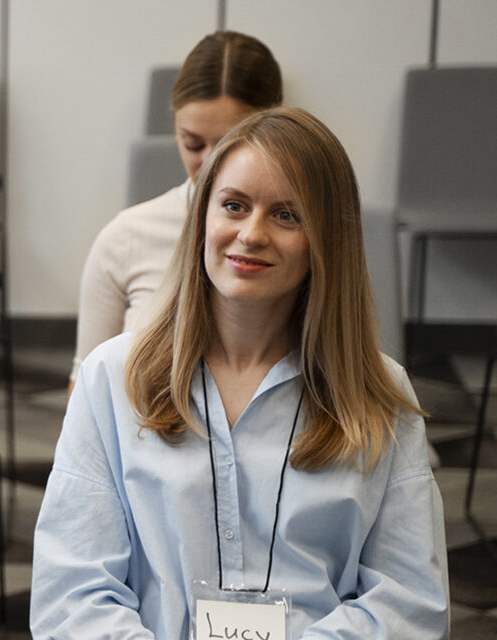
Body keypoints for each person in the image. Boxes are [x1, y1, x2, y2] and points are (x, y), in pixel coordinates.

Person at [31, 107, 450, 638]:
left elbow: (409, 601)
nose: (251, 234)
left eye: (287, 215)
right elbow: (71, 594)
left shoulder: (379, 393)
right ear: (202, 215)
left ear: (328, 240)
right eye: (234, 205)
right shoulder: (112, 379)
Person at [72, 31, 283, 391]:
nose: (211, 162)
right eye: (193, 143)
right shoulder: (126, 237)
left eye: (230, 144)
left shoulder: (302, 239)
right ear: (175, 131)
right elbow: (87, 391)